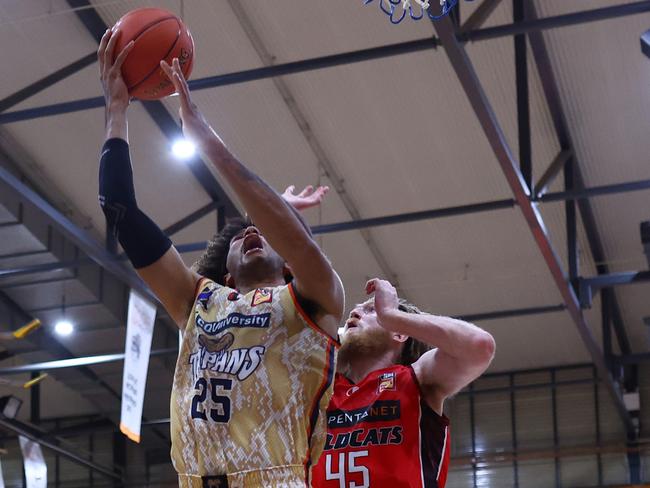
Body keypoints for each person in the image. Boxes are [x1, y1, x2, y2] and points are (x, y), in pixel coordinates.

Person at [97, 28, 344, 487]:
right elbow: (120, 211)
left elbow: (300, 243)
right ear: (226, 273)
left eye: (264, 232)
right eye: (242, 234)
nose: (252, 232)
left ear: (288, 265)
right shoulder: (198, 301)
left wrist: (205, 138)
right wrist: (116, 110)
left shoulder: (315, 300)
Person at [312, 279, 495, 488]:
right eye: (354, 311)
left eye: (371, 310)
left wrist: (392, 315)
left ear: (399, 333)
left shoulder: (416, 378)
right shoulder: (321, 390)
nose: (353, 314)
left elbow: (480, 346)